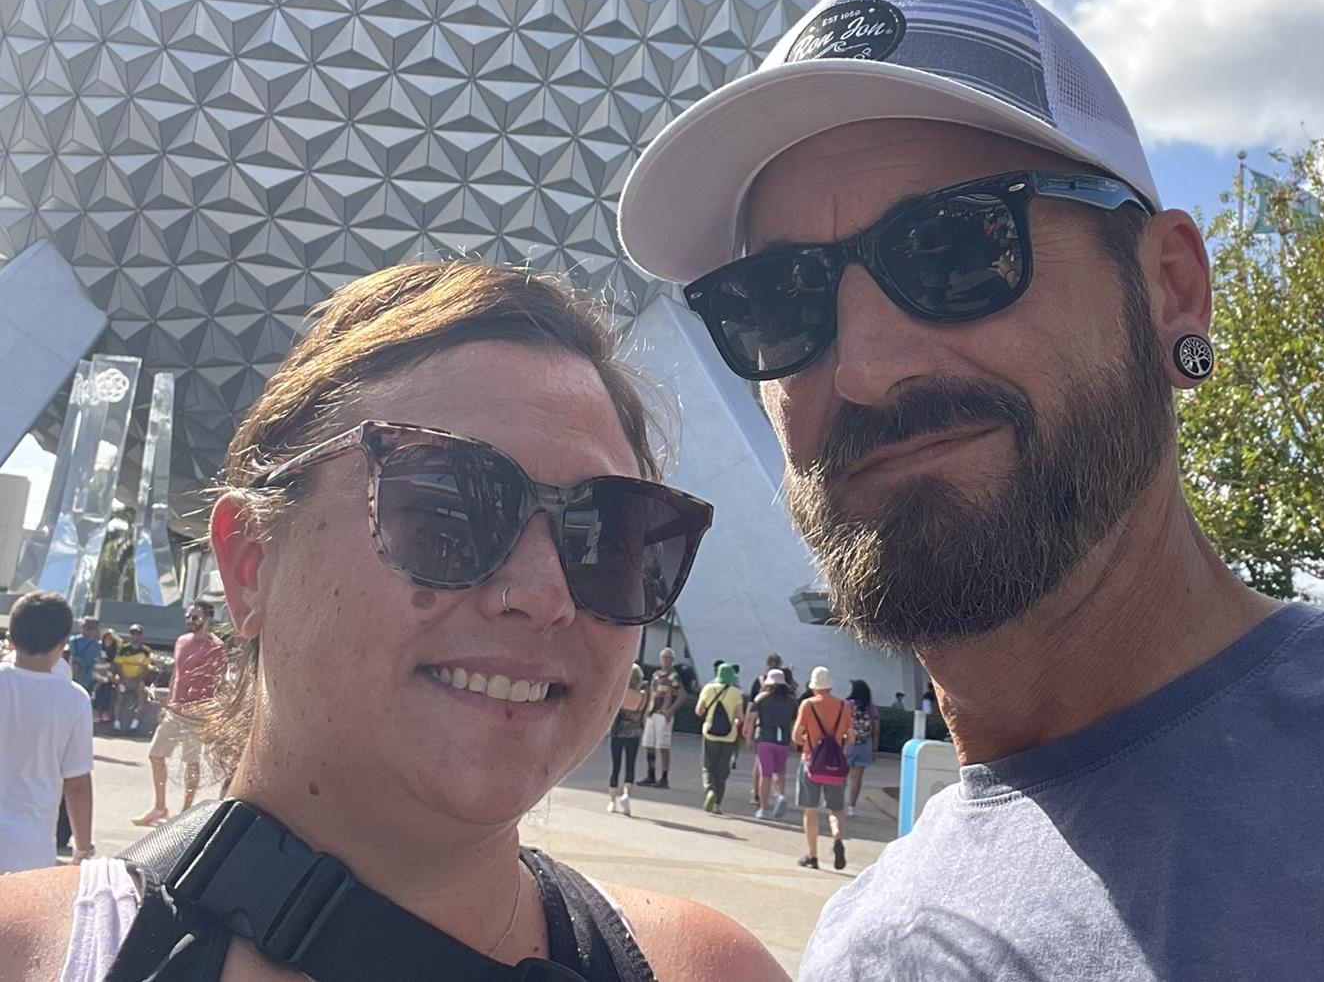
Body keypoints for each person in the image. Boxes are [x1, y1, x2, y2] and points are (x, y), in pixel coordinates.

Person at [617, 0, 1324, 978]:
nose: (864, 368)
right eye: (780, 298)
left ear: (1170, 290)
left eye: (955, 249)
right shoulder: (863, 947)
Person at [0, 260, 784, 982]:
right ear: (250, 564)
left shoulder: (709, 969)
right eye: (447, 509)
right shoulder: (27, 953)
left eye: (609, 537)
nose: (545, 594)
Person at [0, 592, 94, 874]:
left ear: (10, 639)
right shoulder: (74, 699)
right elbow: (77, 783)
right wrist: (82, 850)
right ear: (63, 643)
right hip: (29, 846)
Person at [132, 599, 229, 827]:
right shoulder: (181, 641)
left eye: (195, 617)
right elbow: (176, 674)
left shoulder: (216, 647)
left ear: (207, 618)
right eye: (188, 617)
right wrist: (167, 705)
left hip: (198, 711)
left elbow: (220, 682)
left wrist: (215, 715)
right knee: (156, 754)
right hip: (176, 709)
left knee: (191, 762)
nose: (190, 621)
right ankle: (160, 807)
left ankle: (185, 811)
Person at [790, 667, 853, 870]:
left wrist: (809, 740)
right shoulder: (844, 706)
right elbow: (851, 737)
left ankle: (813, 855)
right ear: (830, 685)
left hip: (812, 762)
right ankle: (837, 837)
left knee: (811, 810)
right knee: (836, 809)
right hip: (835, 766)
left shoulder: (808, 705)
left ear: (814, 686)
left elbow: (796, 736)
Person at [744, 667, 796, 819]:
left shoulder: (761, 698)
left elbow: (751, 719)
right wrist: (793, 741)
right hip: (783, 741)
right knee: (780, 772)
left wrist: (749, 738)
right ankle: (780, 796)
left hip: (765, 739)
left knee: (765, 774)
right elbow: (793, 722)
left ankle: (763, 808)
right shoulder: (792, 701)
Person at [695, 663, 743, 814]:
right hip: (729, 736)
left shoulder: (709, 689)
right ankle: (717, 804)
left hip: (710, 733)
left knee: (708, 766)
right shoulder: (736, 693)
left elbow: (698, 710)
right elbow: (740, 717)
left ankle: (710, 790)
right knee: (722, 770)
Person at [640, 646, 685, 788]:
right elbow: (652, 693)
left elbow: (681, 695)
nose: (665, 660)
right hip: (652, 713)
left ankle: (664, 777)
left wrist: (670, 710)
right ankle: (651, 773)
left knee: (663, 746)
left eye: (668, 658)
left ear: (672, 660)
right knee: (649, 744)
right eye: (663, 657)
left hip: (663, 714)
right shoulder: (656, 675)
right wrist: (646, 711)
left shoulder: (674, 676)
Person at [608, 664, 647, 815]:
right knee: (630, 766)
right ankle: (626, 795)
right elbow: (643, 717)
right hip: (634, 734)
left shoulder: (620, 693)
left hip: (617, 733)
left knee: (615, 766)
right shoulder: (643, 696)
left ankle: (612, 802)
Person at [843, 680, 879, 816]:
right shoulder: (871, 707)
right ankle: (851, 807)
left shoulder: (847, 704)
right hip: (865, 744)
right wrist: (874, 749)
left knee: (842, 774)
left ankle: (836, 800)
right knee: (857, 778)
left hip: (848, 743)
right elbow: (876, 729)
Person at [111, 625, 152, 733]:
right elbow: (118, 665)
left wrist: (137, 679)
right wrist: (124, 679)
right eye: (133, 634)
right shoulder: (123, 649)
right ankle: (117, 724)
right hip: (124, 679)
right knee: (119, 696)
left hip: (138, 680)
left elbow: (146, 668)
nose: (135, 636)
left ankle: (135, 724)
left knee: (142, 696)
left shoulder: (146, 650)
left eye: (137, 634)